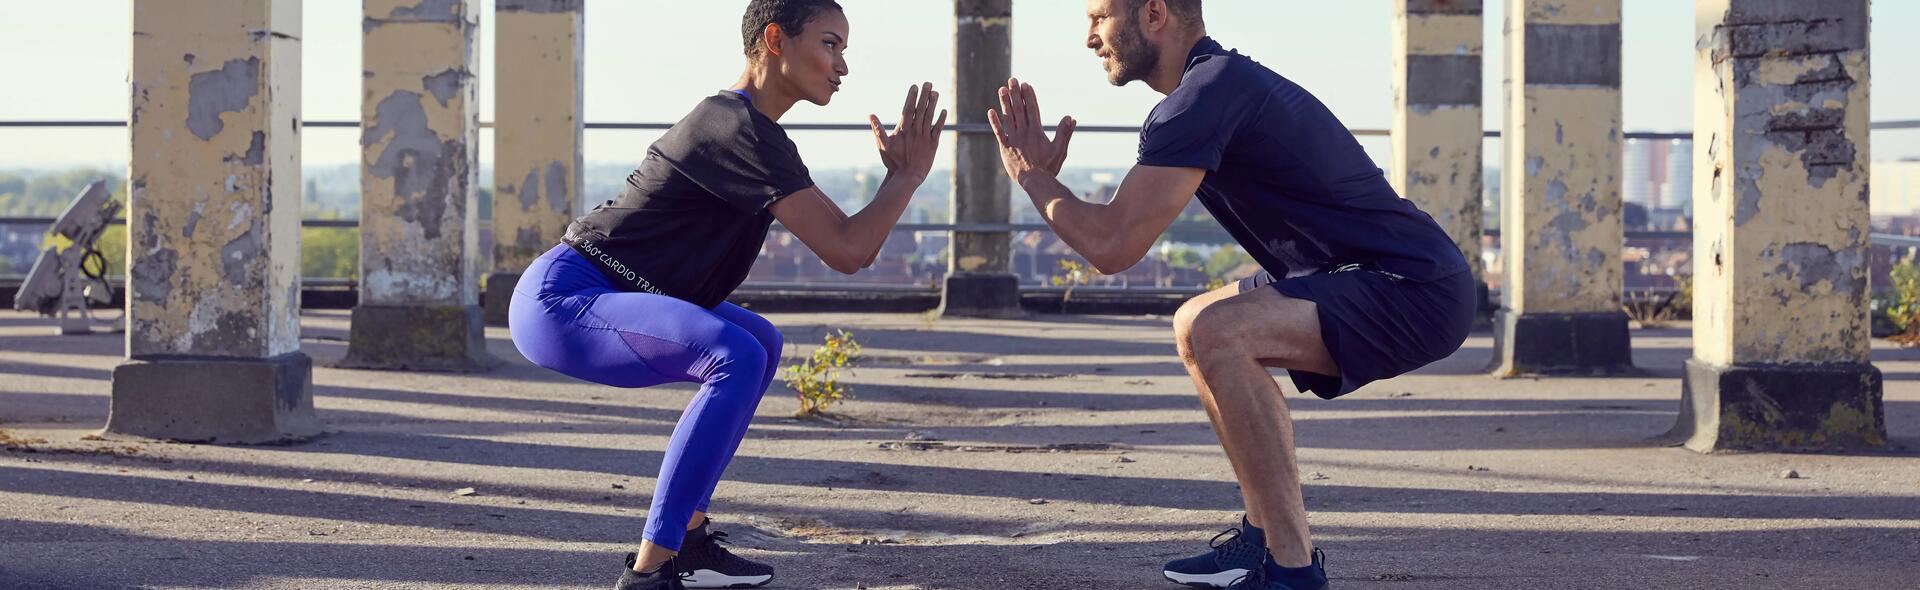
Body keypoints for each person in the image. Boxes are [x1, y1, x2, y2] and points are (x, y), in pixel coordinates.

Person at [987, 1, 1475, 588]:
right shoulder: (1211, 86)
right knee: (1196, 318)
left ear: (1155, 14)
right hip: (1364, 273)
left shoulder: (1204, 96)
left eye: (1098, 17)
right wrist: (1045, 181)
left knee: (1221, 331)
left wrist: (1032, 176)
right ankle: (1260, 535)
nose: (1089, 37)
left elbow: (1113, 246)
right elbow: (1115, 233)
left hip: (1411, 285)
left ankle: (1291, 570)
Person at [505, 1, 947, 588]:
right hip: (565, 300)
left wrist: (902, 179)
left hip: (614, 292)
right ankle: (648, 573)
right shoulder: (735, 126)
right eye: (830, 44)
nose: (842, 66)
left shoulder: (754, 132)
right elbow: (849, 250)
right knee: (732, 355)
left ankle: (687, 537)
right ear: (775, 40)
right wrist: (906, 178)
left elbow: (848, 246)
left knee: (759, 341)